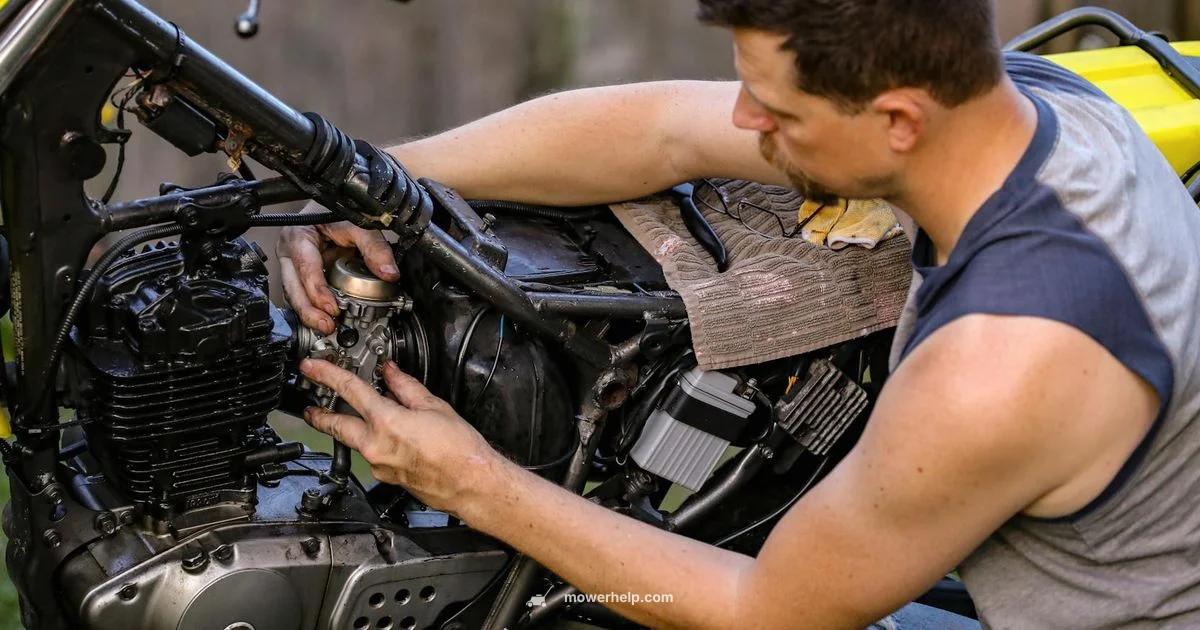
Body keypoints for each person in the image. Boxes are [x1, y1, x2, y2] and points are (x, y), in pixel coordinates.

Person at [276, 0, 1200, 627]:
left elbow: (765, 612)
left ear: (898, 121)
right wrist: (370, 180)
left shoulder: (1001, 367)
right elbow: (663, 131)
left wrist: (477, 485)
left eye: (780, 112)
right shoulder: (1042, 107)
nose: (747, 124)